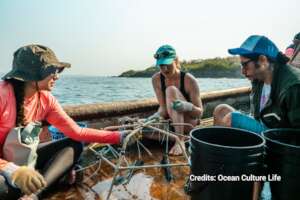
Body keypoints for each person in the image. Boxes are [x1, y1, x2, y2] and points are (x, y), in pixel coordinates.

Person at [0, 44, 127, 200]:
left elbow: (77, 132)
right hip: (4, 168)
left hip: (24, 160)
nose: (57, 76)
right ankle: (30, 184)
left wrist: (119, 136)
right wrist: (14, 171)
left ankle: (34, 194)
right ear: (33, 74)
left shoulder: (46, 99)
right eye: (52, 71)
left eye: (58, 71)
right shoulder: (2, 95)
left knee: (74, 144)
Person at [213, 35, 300, 134]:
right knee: (221, 110)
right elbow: (256, 115)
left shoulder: (293, 87)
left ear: (263, 60)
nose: (242, 71)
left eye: (245, 65)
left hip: (278, 139)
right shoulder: (259, 79)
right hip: (263, 124)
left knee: (232, 118)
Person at [149, 45, 203, 155]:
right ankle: (184, 138)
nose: (164, 69)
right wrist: (153, 118)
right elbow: (163, 109)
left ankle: (180, 140)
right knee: (140, 130)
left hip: (189, 123)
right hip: (171, 123)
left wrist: (186, 106)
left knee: (171, 90)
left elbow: (199, 113)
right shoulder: (156, 80)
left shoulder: (189, 80)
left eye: (167, 64)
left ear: (176, 60)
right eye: (161, 65)